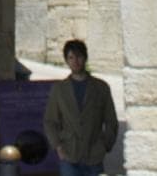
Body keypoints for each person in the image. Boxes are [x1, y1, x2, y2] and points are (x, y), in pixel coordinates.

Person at [42, 39, 117, 176]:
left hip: (94, 155)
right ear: (66, 60)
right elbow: (50, 120)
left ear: (85, 58)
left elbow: (111, 120)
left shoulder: (101, 88)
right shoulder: (59, 89)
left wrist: (105, 145)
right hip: (69, 154)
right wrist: (58, 146)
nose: (75, 61)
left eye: (79, 56)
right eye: (71, 57)